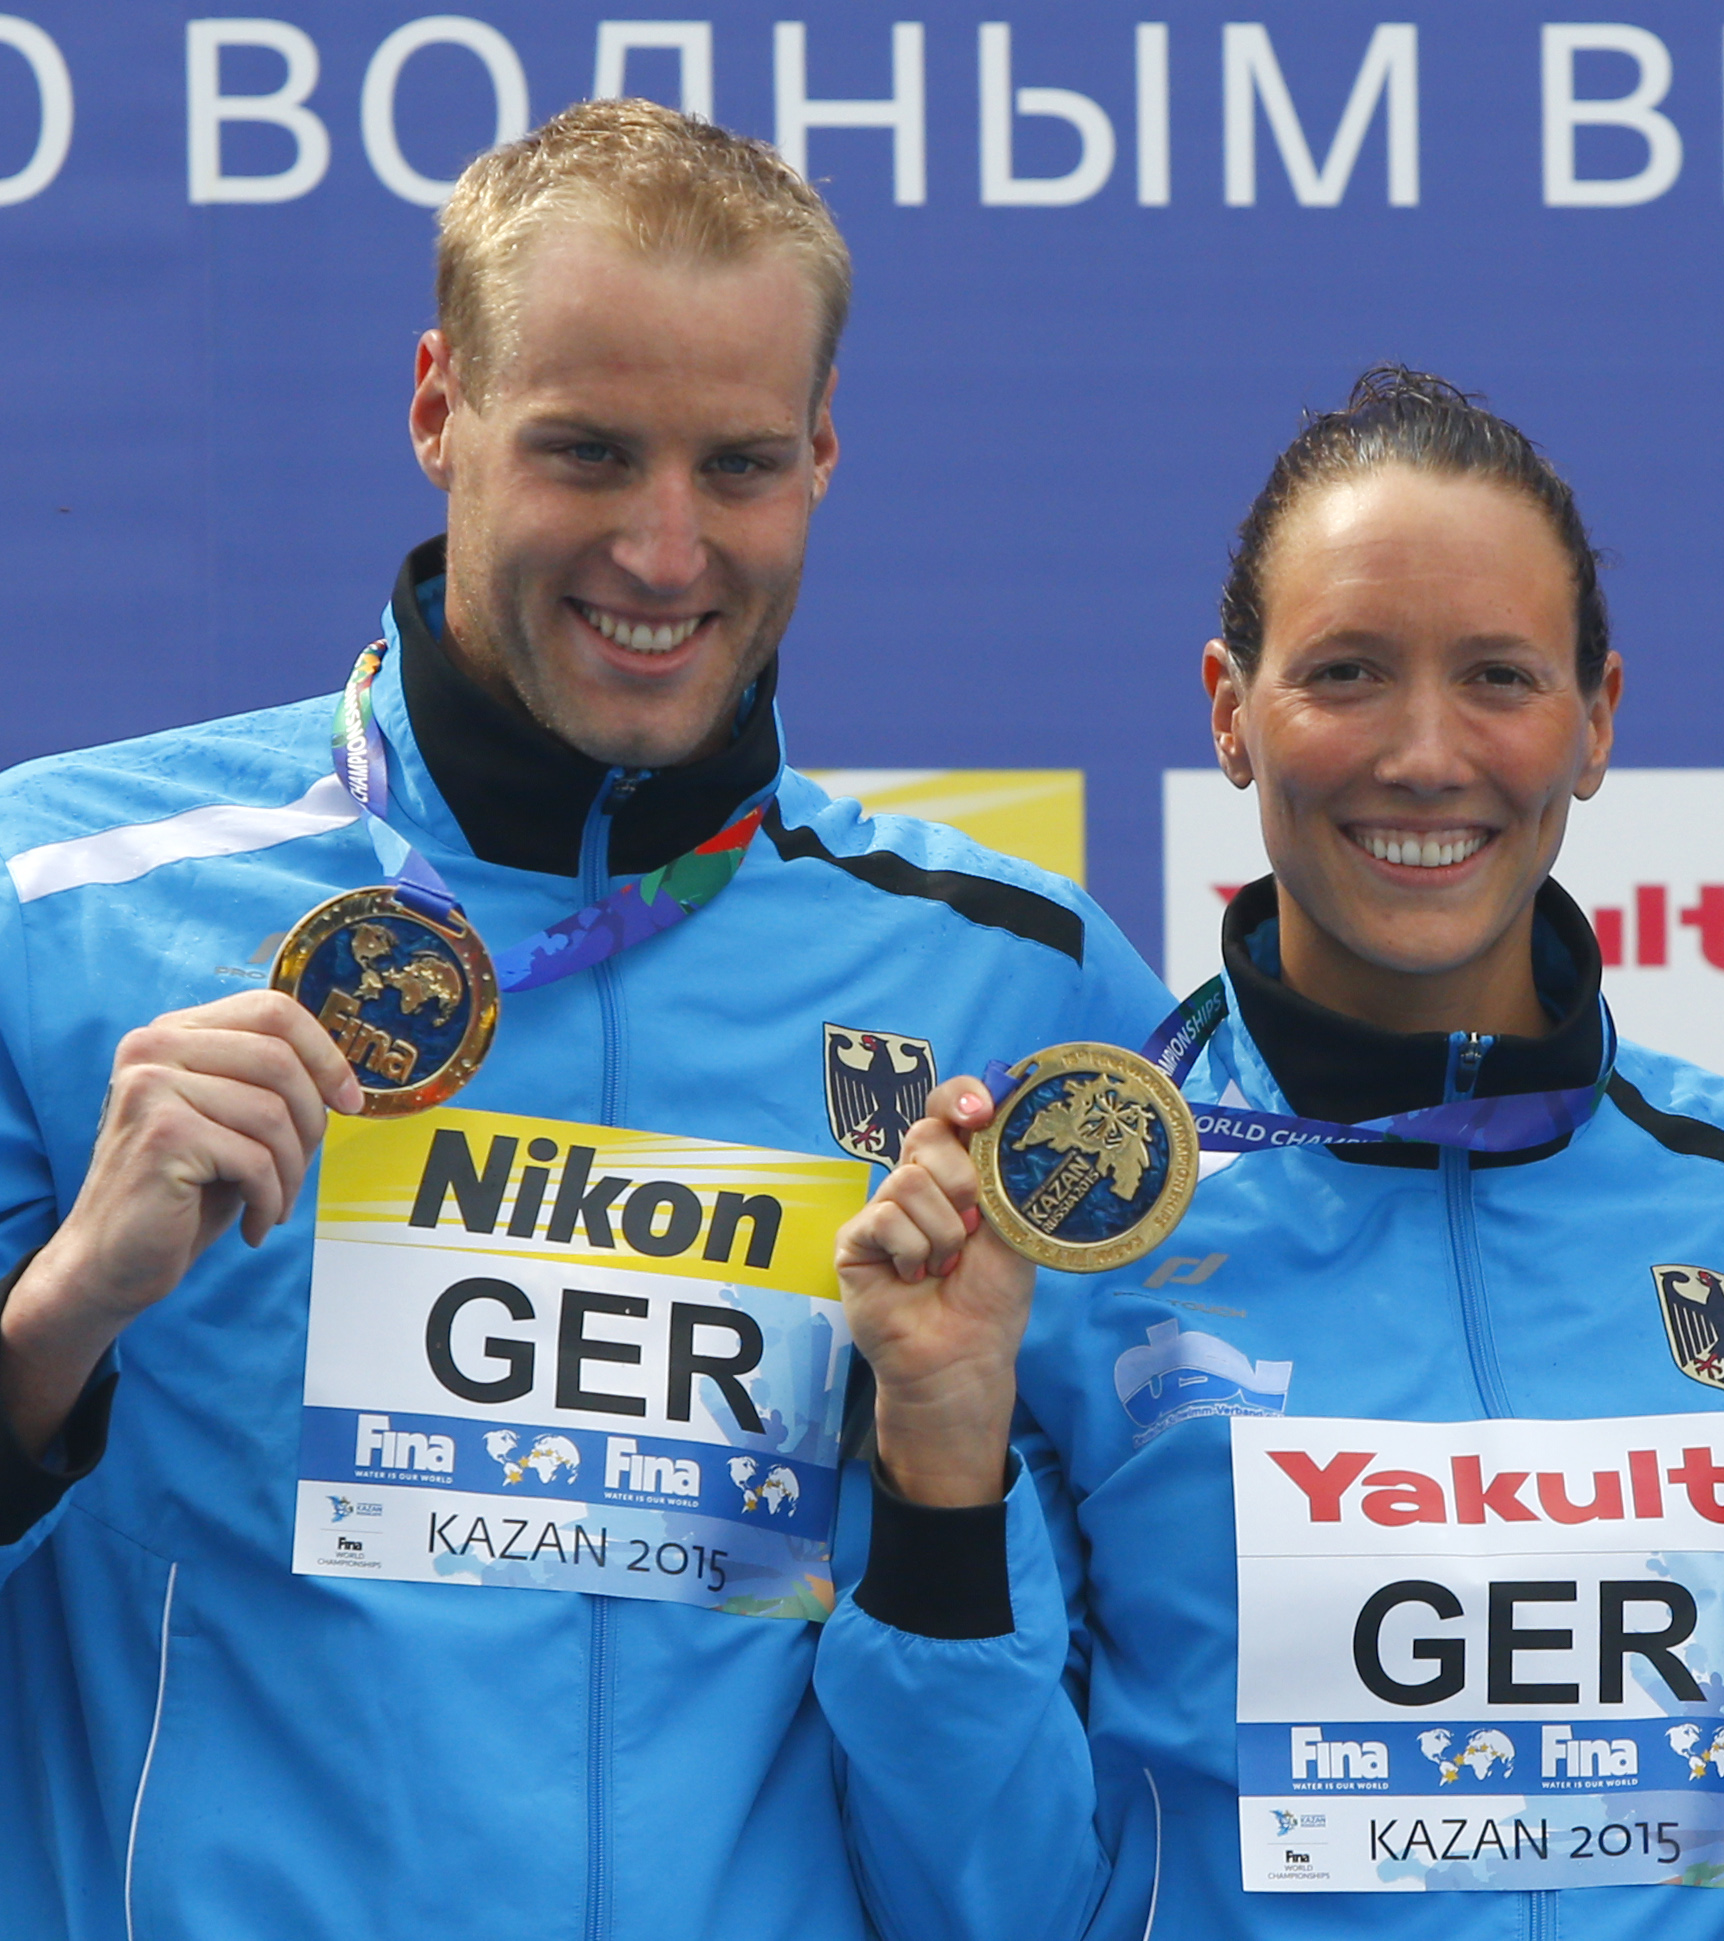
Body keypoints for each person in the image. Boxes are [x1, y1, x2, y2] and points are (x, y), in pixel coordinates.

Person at [0, 101, 1168, 1940]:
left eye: (739, 464)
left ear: (823, 452)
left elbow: (1142, 1723)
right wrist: (58, 1313)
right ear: (437, 409)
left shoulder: (1020, 986)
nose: (664, 548)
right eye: (589, 451)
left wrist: (944, 1498)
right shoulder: (56, 904)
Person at [813, 368, 1724, 1938]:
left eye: (1498, 676)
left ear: (1595, 719)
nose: (1425, 753)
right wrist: (942, 1449)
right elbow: (971, 1899)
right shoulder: (1071, 1244)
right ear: (1229, 712)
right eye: (1347, 674)